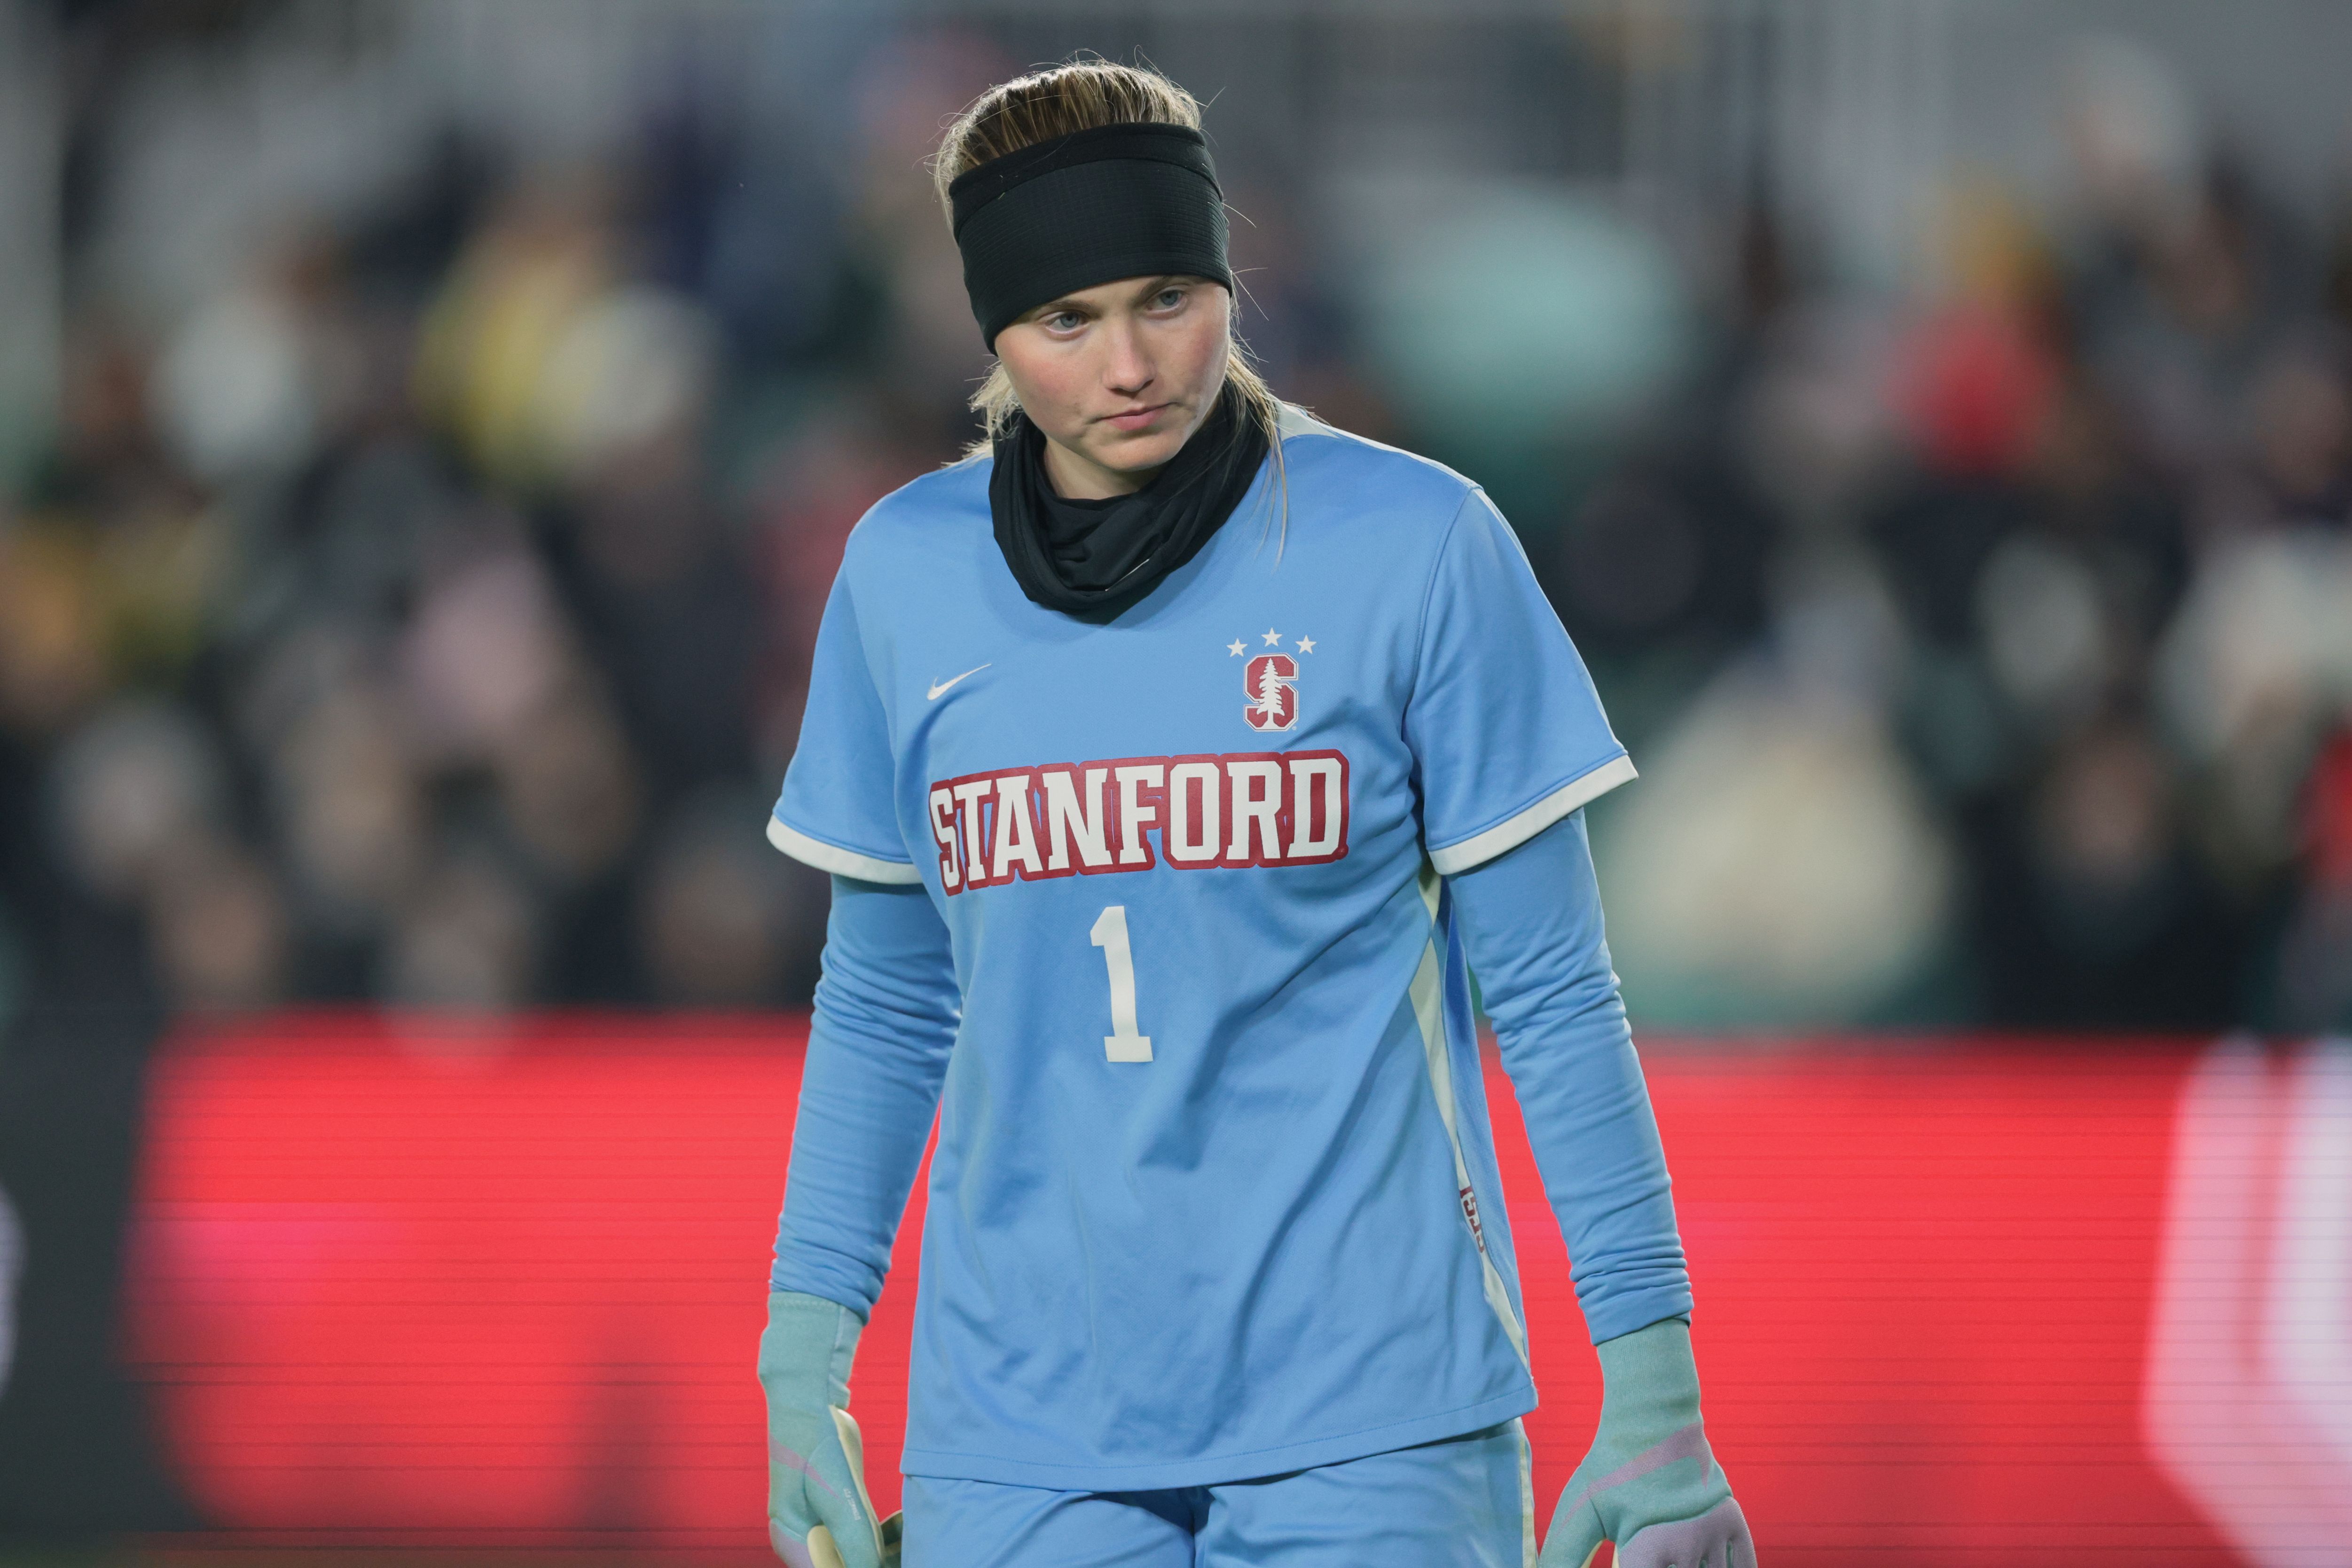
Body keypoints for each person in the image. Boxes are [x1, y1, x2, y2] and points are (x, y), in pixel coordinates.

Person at [756, 58, 1755, 1568]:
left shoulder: (1419, 546)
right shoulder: (902, 578)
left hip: (1377, 1418)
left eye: (1168, 293)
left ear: (1230, 276)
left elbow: (1551, 996)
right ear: (992, 333)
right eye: (1064, 320)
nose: (1129, 363)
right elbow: (886, 1009)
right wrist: (800, 1361)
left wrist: (1658, 1392)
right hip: (1013, 1429)